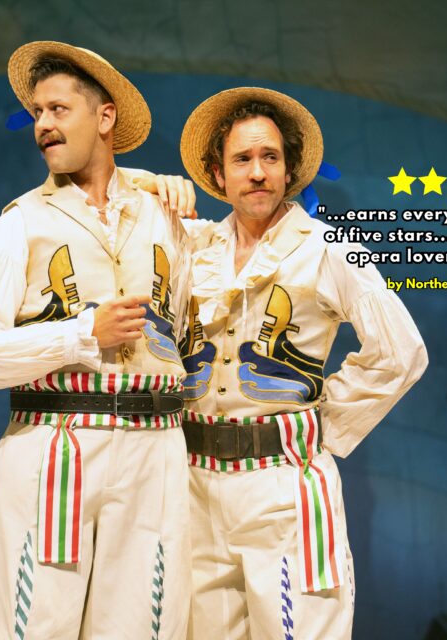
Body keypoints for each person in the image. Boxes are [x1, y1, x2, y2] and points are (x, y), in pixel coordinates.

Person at [0, 41, 195, 639]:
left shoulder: (166, 217)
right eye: (37, 112)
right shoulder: (20, 223)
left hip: (154, 451)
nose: (42, 125)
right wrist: (80, 335)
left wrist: (148, 184)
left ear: (104, 117)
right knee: (35, 624)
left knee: (144, 625)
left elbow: (208, 311)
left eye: (58, 109)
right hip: (56, 446)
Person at [173, 87, 429, 639]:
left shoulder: (328, 247)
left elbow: (401, 351)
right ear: (218, 174)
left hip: (282, 486)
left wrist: (323, 423)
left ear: (289, 171)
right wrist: (152, 185)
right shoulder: (194, 249)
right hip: (195, 486)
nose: (257, 172)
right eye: (242, 159)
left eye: (270, 157)